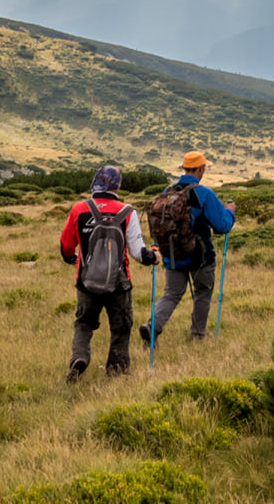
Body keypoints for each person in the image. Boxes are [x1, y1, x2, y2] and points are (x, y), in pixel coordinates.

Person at [59, 164, 157, 381]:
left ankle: (79, 356)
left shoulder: (79, 209)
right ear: (117, 186)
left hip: (87, 280)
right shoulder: (128, 211)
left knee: (84, 324)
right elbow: (138, 252)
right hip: (119, 283)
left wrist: (70, 257)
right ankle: (117, 372)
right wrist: (153, 257)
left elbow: (66, 245)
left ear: (96, 182)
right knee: (121, 328)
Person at [143, 150, 236, 345]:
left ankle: (152, 327)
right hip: (200, 255)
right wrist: (230, 212)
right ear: (201, 169)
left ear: (185, 167)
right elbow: (222, 226)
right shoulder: (204, 193)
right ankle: (197, 337)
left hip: (173, 254)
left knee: (172, 294)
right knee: (203, 293)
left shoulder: (167, 192)